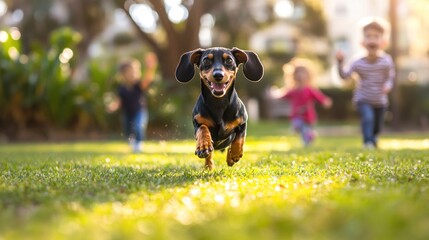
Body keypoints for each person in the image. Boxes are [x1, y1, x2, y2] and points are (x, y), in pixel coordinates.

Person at [335, 17, 395, 149]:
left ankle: (372, 139)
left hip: (380, 101)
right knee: (368, 118)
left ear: (383, 42)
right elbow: (345, 76)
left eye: (376, 36)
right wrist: (340, 62)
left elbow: (390, 77)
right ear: (362, 42)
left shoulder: (386, 61)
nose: (372, 40)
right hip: (363, 99)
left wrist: (388, 85)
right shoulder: (358, 61)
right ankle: (367, 142)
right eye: (369, 36)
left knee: (377, 126)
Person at [107, 53, 158, 153]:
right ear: (123, 75)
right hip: (127, 113)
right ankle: (133, 141)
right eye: (130, 72)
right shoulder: (121, 88)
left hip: (139, 111)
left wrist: (150, 68)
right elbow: (119, 101)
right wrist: (113, 106)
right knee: (128, 129)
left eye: (136, 71)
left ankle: (139, 144)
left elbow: (147, 81)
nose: (134, 74)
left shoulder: (138, 85)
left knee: (138, 126)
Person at [275, 58, 332, 146]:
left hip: (308, 116)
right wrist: (275, 94)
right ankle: (307, 134)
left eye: (303, 73)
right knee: (297, 125)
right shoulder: (292, 90)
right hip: (296, 116)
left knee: (305, 132)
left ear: (308, 75)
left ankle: (308, 140)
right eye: (298, 73)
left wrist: (325, 101)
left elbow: (320, 97)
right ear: (293, 75)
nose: (300, 75)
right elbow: (282, 95)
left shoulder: (310, 90)